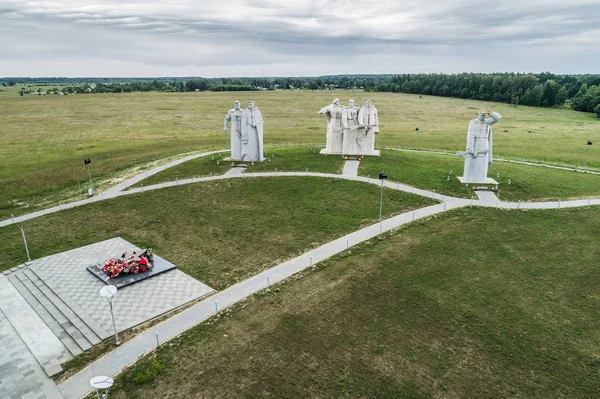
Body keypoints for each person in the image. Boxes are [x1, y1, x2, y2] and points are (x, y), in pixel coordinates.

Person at [462, 110, 502, 183]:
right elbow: (470, 135)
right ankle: (471, 177)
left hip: (484, 143)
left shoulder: (488, 122)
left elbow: (498, 118)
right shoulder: (473, 122)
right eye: (481, 114)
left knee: (482, 162)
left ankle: (481, 178)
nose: (483, 116)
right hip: (476, 142)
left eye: (484, 115)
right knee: (473, 160)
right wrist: (470, 148)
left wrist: (489, 112)